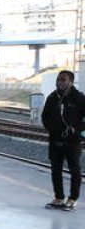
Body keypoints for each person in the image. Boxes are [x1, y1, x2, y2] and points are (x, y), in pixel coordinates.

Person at [41, 69, 85, 210]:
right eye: (58, 79)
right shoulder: (52, 97)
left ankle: (72, 199)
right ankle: (59, 197)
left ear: (71, 82)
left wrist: (77, 132)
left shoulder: (79, 98)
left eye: (63, 79)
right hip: (55, 140)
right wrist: (52, 129)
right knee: (56, 169)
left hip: (73, 142)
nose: (59, 82)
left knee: (74, 170)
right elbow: (45, 116)